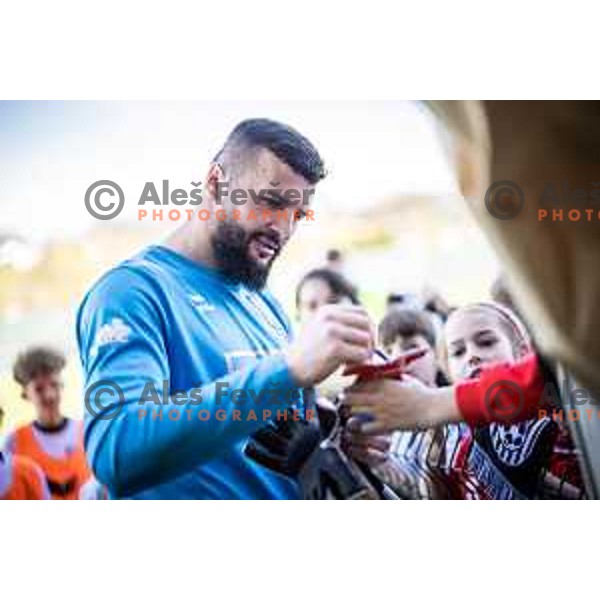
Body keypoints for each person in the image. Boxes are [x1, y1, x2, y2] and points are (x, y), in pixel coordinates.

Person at [77, 118, 378, 499]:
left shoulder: (265, 303)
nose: (283, 230)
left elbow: (277, 440)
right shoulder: (132, 292)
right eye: (271, 201)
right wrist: (289, 369)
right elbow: (115, 452)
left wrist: (339, 435)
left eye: (297, 215)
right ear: (217, 184)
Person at [345, 302, 585, 498]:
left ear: (523, 352)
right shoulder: (457, 444)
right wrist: (377, 464)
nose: (472, 356)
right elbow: (424, 494)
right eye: (458, 352)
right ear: (447, 371)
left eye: (487, 342)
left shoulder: (557, 414)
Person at [374, 308, 465, 499]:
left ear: (438, 355)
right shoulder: (382, 427)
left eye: (410, 346)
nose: (398, 359)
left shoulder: (459, 413)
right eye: (388, 351)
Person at [4, 346, 90, 500]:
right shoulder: (14, 441)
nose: (49, 395)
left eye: (54, 385)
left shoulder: (85, 431)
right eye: (39, 389)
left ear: (62, 385)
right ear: (25, 394)